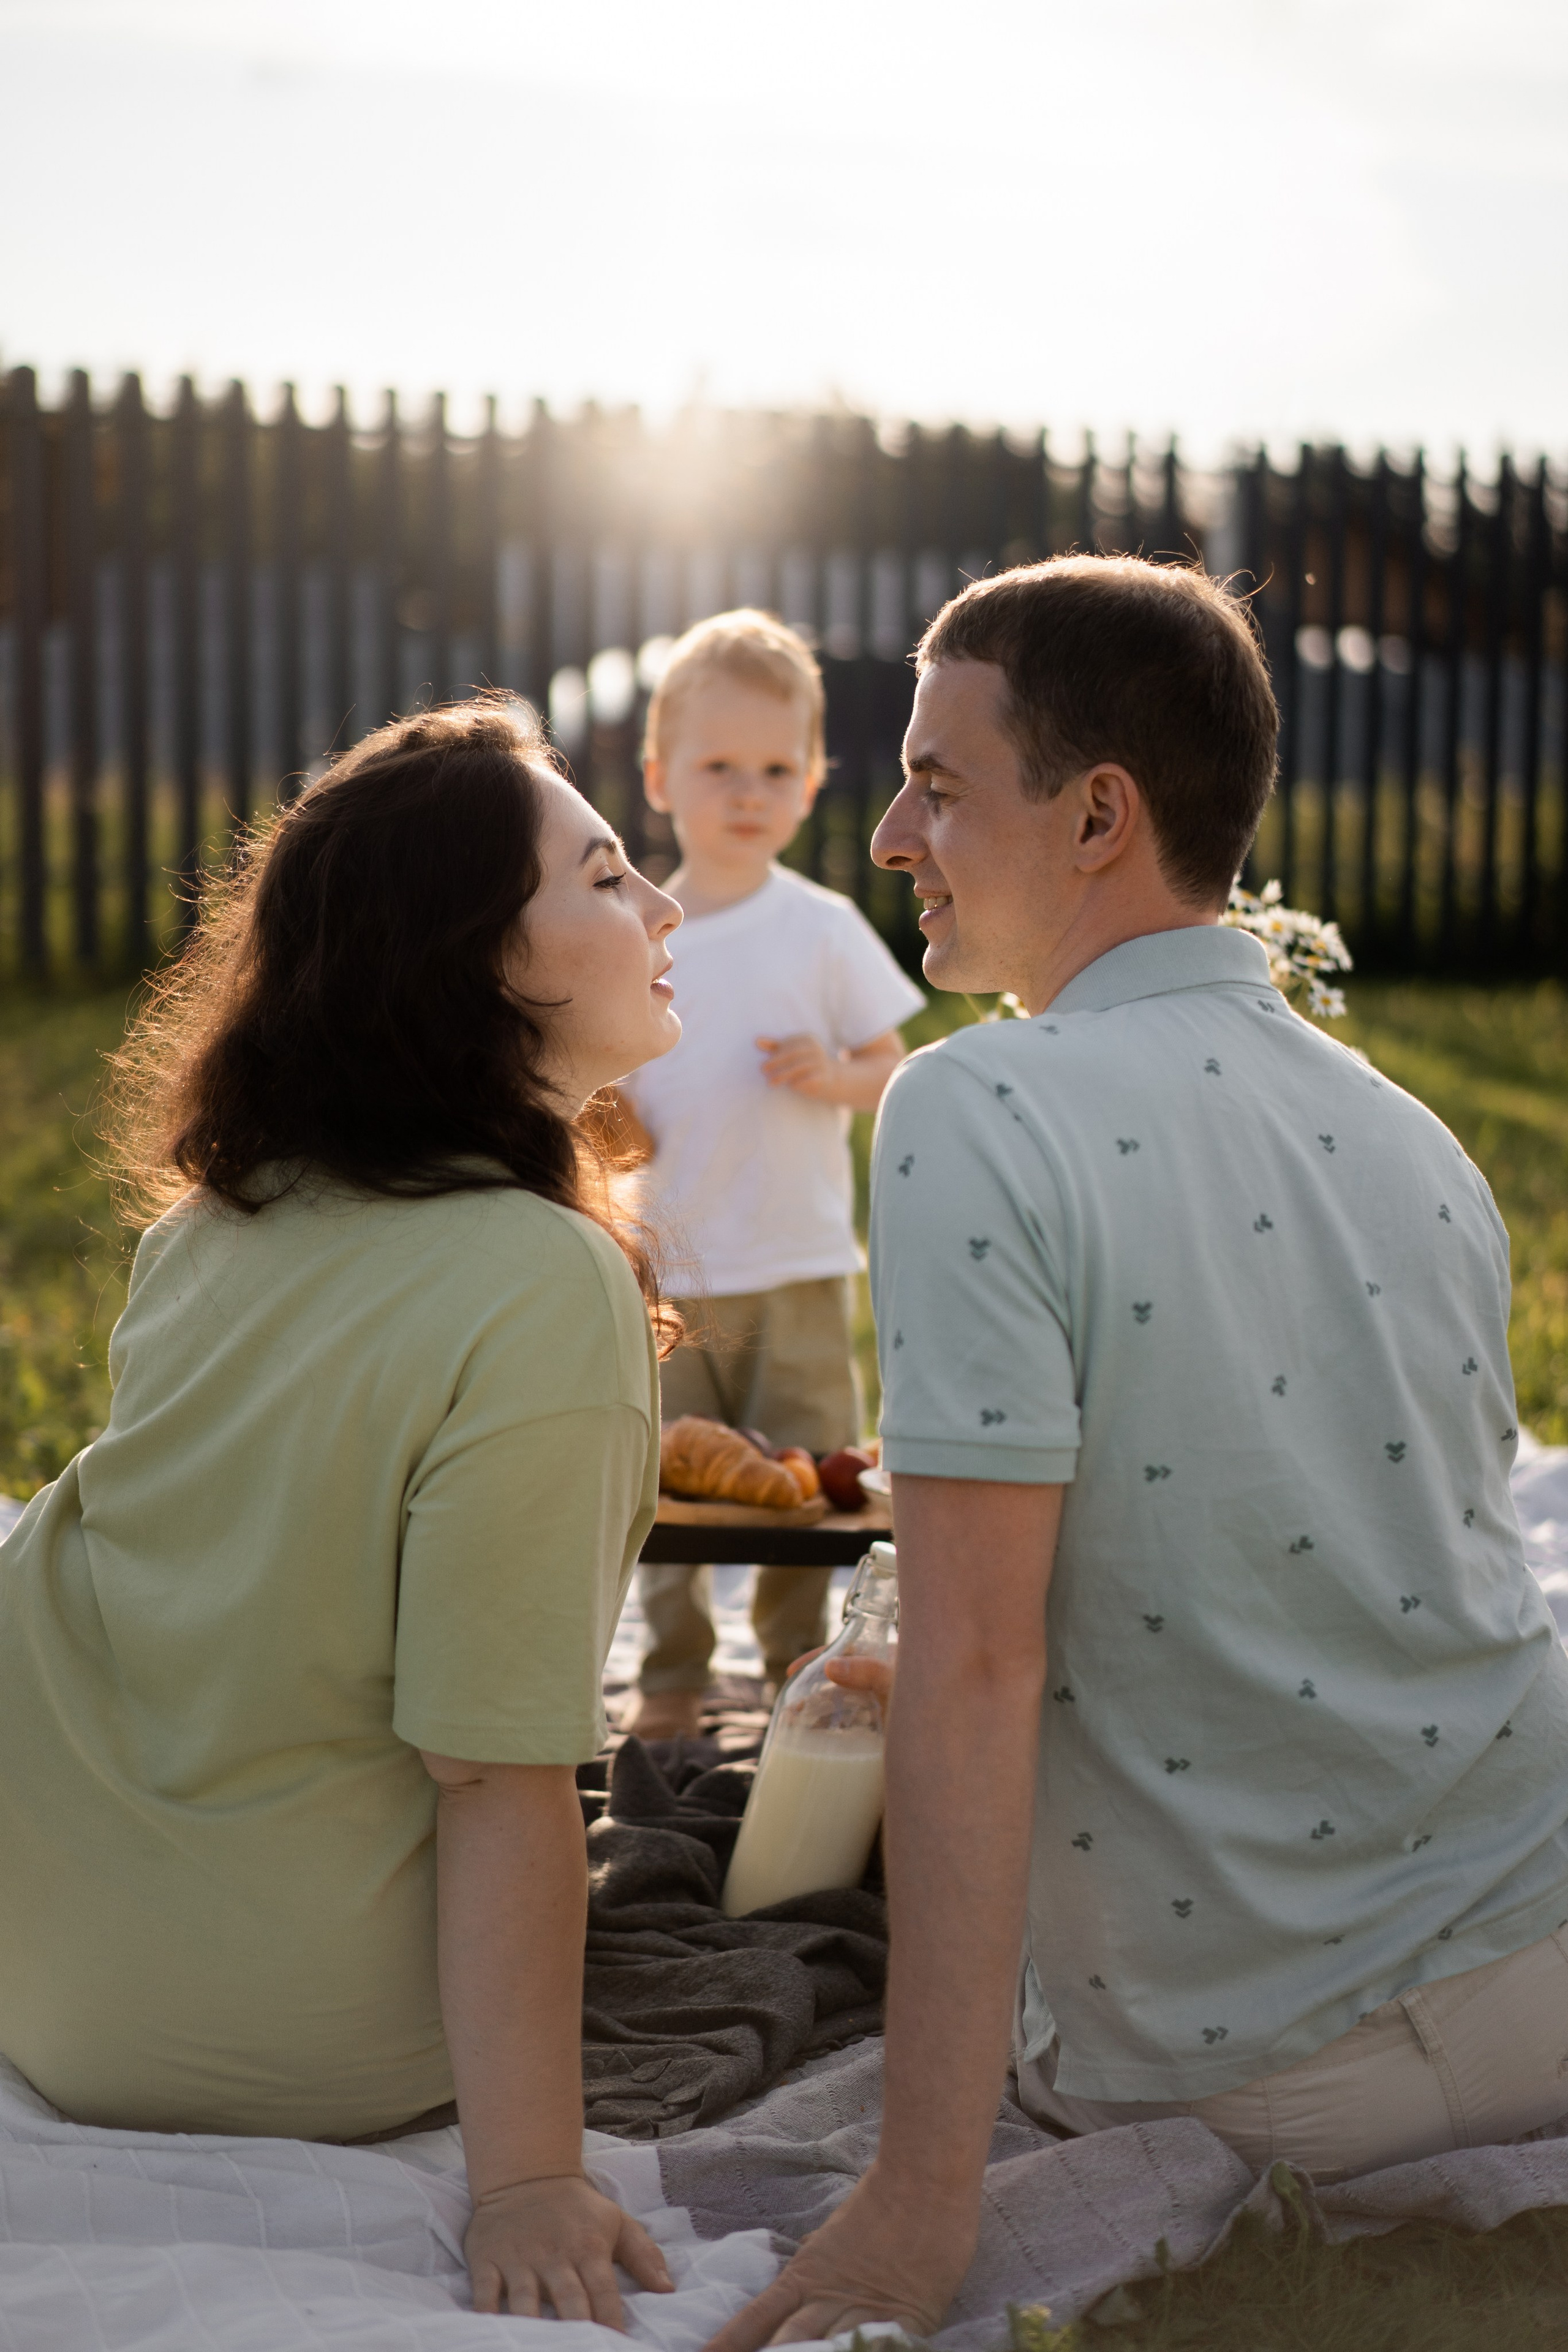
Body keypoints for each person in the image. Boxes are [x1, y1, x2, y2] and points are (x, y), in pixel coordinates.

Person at [710, 557, 1568, 2350]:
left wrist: (922, 2198)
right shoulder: (1420, 1135)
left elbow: (976, 1660)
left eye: (938, 785)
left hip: (1258, 2060)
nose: (887, 839)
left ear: (1100, 813)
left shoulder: (974, 1104)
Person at [0, 703, 684, 2327]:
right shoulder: (543, 1283)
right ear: (486, 962)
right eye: (605, 876)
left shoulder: (222, 1216)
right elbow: (498, 1769)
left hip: (40, 1956)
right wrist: (526, 2177)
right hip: (285, 2039)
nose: (661, 907)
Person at [617, 611, 924, 1740]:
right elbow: (606, 1079)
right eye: (718, 767)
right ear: (659, 778)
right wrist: (615, 1117)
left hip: (796, 1262)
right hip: (673, 1273)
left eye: (776, 770)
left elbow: (892, 1065)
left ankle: (799, 1659)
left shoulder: (823, 927)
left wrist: (833, 1073)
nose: (749, 792)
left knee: (806, 1485)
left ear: (810, 786)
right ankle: (672, 1672)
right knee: (668, 1489)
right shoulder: (644, 928)